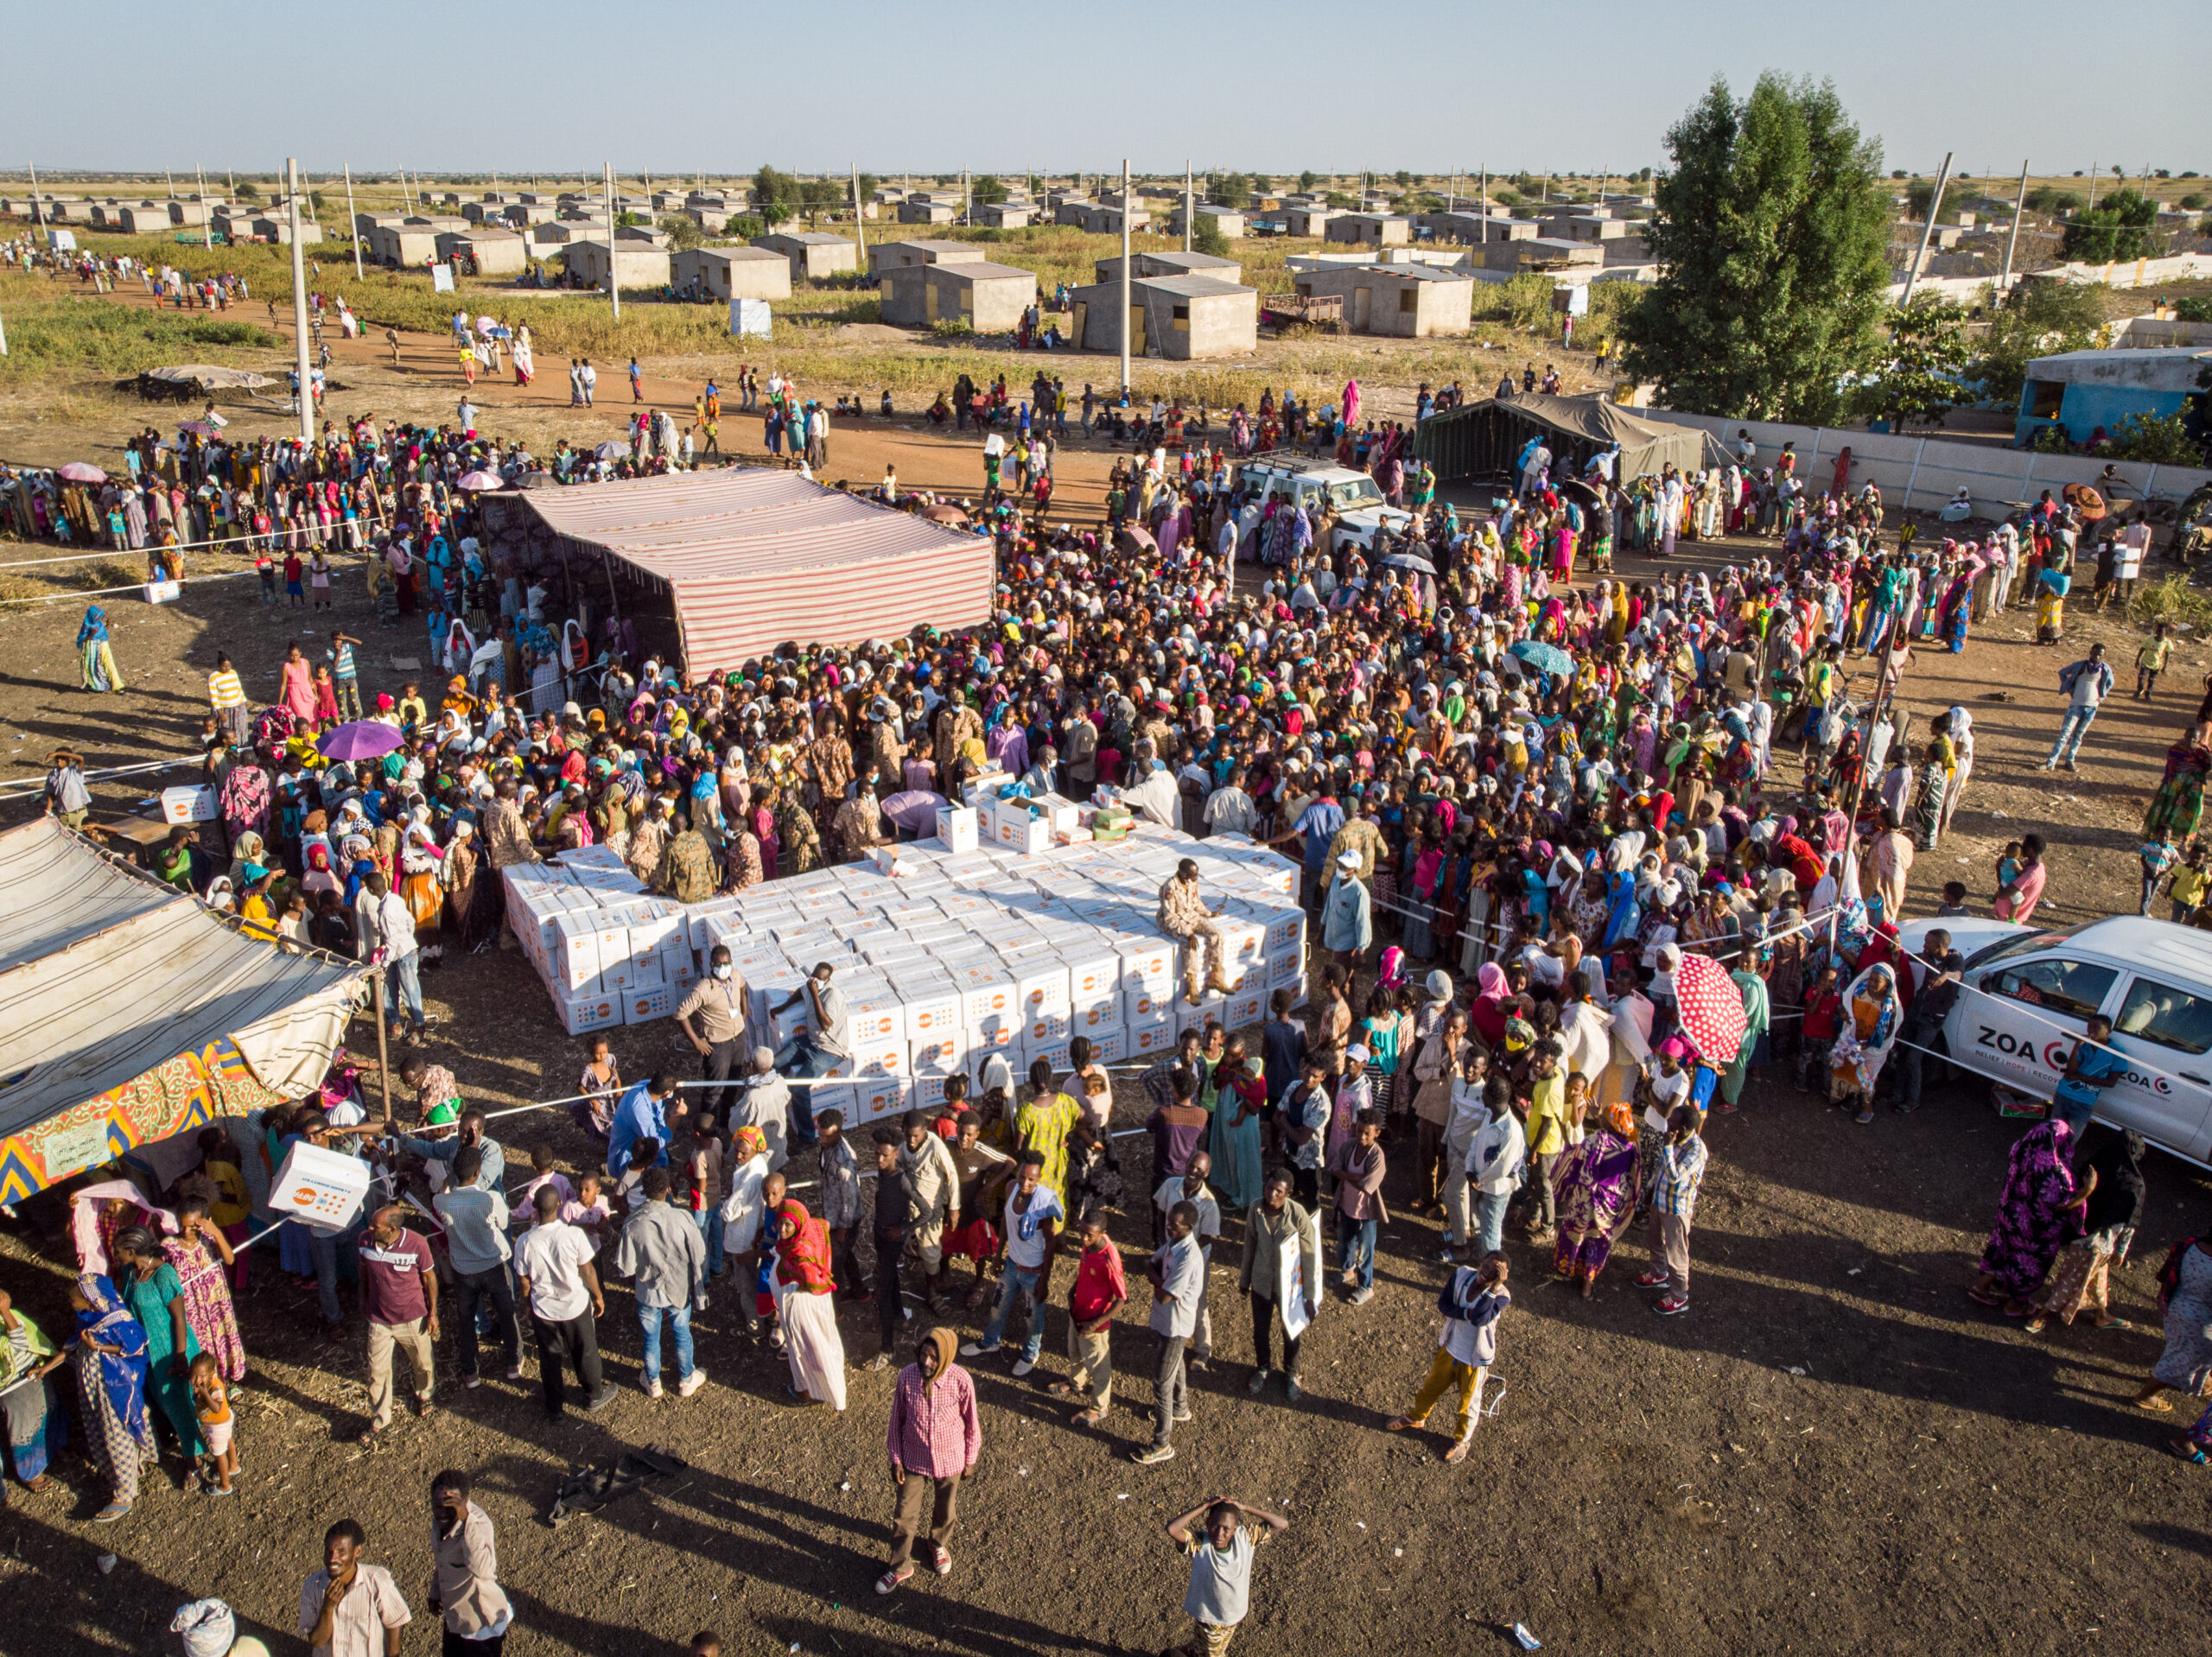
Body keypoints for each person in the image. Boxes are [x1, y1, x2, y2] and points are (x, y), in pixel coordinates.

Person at [877, 1326, 980, 1596]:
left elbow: (972, 1423)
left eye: (933, 1357)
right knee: (903, 1516)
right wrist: (896, 1458)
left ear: (944, 1358)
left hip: (950, 1460)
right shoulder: (906, 1377)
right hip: (913, 1458)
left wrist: (970, 1458)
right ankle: (900, 1566)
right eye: (923, 1354)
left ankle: (937, 1545)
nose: (926, 1362)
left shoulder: (960, 1380)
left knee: (946, 1510)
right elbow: (896, 1420)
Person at [1387, 1253, 1511, 1463]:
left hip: (1474, 1361)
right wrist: (1464, 1314)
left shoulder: (1501, 1295)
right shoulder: (1462, 1275)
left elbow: (1480, 1318)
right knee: (1430, 1388)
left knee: (1469, 1404)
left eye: (1494, 1272)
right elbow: (1443, 1304)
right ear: (1481, 1262)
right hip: (1451, 1349)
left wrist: (1494, 1286)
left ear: (1502, 1276)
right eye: (1487, 1266)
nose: (1487, 1273)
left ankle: (1461, 1440)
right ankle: (1416, 1417)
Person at [515, 1184, 615, 1419]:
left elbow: (524, 1281)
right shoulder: (573, 1235)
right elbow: (587, 1270)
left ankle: (555, 1407)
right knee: (585, 1351)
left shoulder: (524, 1241)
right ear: (559, 1204)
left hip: (544, 1310)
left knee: (549, 1359)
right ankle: (594, 1395)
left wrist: (529, 1306)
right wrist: (598, 1296)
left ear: (535, 1208)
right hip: (575, 1306)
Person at [2031, 1131, 2144, 1336]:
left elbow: (2074, 1193)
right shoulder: (2133, 1184)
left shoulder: (2095, 1166)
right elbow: (2129, 1223)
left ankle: (2101, 1315)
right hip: (2099, 1245)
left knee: (2096, 1277)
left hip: (2078, 1233)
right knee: (2074, 1280)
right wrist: (2120, 1251)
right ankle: (2042, 1314)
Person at [961, 1150, 1063, 1376]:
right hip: (1011, 1265)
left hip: (1033, 1272)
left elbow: (1050, 1244)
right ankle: (990, 1342)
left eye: (1031, 1179)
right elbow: (1007, 1222)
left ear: (1038, 1178)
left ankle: (1030, 1353)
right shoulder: (1011, 1188)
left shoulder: (1043, 1204)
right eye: (1022, 1176)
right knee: (998, 1307)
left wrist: (1044, 1281)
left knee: (1032, 1318)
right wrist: (998, 1255)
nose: (1025, 1183)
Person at [1967, 1119, 2079, 1317]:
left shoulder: (2022, 1150)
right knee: (2027, 1265)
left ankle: (1981, 1287)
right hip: (2034, 1230)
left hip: (2009, 1217)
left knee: (2002, 1250)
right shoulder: (2051, 1168)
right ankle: (2016, 1305)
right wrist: (2087, 1190)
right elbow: (2062, 1203)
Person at [432, 1146, 522, 1388]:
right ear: (477, 1173)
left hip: (464, 1270)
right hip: (493, 1264)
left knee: (466, 1321)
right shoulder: (489, 1199)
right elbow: (503, 1222)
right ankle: (513, 1363)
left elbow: (442, 1190)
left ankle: (470, 1372)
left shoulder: (441, 1202)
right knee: (506, 1312)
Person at [614, 1165, 709, 1399]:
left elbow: (624, 1267)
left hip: (648, 1292)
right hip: (679, 1289)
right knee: (682, 1331)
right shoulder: (683, 1218)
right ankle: (687, 1378)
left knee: (650, 1336)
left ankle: (653, 1381)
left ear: (644, 1190)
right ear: (668, 1190)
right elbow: (699, 1254)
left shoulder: (633, 1223)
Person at [111, 1225, 204, 1461]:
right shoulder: (131, 1273)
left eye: (118, 1251)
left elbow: (179, 1318)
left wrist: (181, 1357)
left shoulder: (164, 1275)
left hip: (170, 1350)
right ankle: (180, 1440)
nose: (115, 1255)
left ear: (132, 1251)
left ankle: (193, 1459)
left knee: (179, 1404)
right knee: (164, 1402)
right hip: (148, 1351)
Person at [69, 1273, 155, 1523]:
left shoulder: (117, 1321)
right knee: (102, 1432)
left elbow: (134, 1348)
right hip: (93, 1390)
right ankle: (126, 1473)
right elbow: (73, 1345)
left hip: (115, 1389)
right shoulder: (87, 1318)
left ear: (89, 1299)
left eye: (75, 1299)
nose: (72, 1304)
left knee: (116, 1433)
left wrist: (98, 1348)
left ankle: (124, 1495)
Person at [1162, 1494, 1289, 1656]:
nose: (1219, 1533)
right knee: (1213, 1652)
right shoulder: (1200, 1543)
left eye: (1226, 1529)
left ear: (1234, 1529)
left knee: (1212, 1648)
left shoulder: (1246, 1538)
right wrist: (1204, 1506)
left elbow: (1282, 1524)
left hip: (1232, 1617)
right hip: (1210, 1619)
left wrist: (1245, 1507)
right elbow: (1172, 1529)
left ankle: (1193, 1651)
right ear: (1208, 1524)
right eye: (1215, 1526)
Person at [353, 1204, 436, 1449]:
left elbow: (429, 1277)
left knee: (423, 1363)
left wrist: (433, 1313)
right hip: (379, 1321)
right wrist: (364, 1299)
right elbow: (363, 1272)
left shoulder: (417, 1244)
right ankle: (380, 1419)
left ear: (392, 1228)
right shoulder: (364, 1241)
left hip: (412, 1319)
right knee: (377, 1372)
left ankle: (425, 1394)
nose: (369, 1228)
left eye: (375, 1226)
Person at [1133, 1198, 1205, 1466]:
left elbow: (1165, 1295)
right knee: (1175, 1365)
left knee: (1162, 1383)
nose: (1168, 1228)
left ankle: (1162, 1443)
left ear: (1188, 1228)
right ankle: (1180, 1407)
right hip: (1167, 1320)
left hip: (1176, 1325)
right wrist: (1158, 1280)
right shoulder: (1173, 1243)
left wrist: (1155, 1278)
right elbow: (1151, 1263)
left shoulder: (1189, 1256)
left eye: (1174, 1226)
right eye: (1168, 1223)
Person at [1240, 1170, 1320, 1402]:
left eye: (1279, 1191)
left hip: (1289, 1289)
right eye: (1269, 1188)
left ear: (1289, 1193)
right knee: (1260, 1331)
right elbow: (1249, 1245)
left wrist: (1310, 1296)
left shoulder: (1297, 1215)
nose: (1272, 1194)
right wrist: (1245, 1280)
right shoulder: (1255, 1209)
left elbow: (1309, 1255)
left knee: (1291, 1334)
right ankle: (1263, 1368)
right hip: (1262, 1284)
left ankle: (1292, 1374)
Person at [1550, 1099, 1641, 1298]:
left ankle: (1567, 1268)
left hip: (1585, 1199)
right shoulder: (1631, 1147)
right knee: (1597, 1239)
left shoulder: (1595, 1141)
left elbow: (1577, 1160)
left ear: (1609, 1123)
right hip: (1610, 1203)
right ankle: (1587, 1284)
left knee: (1577, 1232)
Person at [1052, 1211, 1125, 1424]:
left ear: (1103, 1233)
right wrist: (1071, 1293)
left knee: (1099, 1366)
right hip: (1077, 1312)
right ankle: (1076, 1383)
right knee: (1074, 1352)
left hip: (1094, 1323)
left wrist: (1095, 1324)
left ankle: (1099, 1408)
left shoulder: (1109, 1258)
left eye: (1089, 1235)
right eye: (1081, 1232)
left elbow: (1121, 1299)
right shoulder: (1088, 1245)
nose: (1083, 1239)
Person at [299, 1519, 411, 1657]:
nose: (333, 1558)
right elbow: (317, 1641)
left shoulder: (376, 1581)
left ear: (357, 1551)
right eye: (329, 1552)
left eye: (341, 1552)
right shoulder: (312, 1586)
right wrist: (327, 1608)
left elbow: (395, 1621)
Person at [428, 1469, 512, 1655]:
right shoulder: (439, 1523)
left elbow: (483, 1570)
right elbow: (441, 1559)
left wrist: (467, 1522)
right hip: (456, 1617)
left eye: (450, 1506)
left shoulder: (479, 1525)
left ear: (465, 1502)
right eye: (437, 1506)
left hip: (480, 1624)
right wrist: (435, 1592)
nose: (442, 1513)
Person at [1636, 1105, 1707, 1317]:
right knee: (1655, 1239)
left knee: (1676, 1254)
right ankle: (1658, 1274)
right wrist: (1650, 1189)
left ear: (1684, 1128)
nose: (1668, 1125)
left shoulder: (1696, 1150)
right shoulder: (1674, 1139)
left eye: (1672, 1123)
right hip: (1660, 1200)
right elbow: (1661, 1169)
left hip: (1676, 1209)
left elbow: (1675, 1176)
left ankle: (1678, 1296)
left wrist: (1667, 1147)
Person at [0, 1286, 67, 1502]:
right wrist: (6, 1313)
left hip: (33, 1373)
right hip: (12, 1387)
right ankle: (30, 1473)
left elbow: (31, 1339)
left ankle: (53, 1450)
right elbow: (19, 1343)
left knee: (49, 1411)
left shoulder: (9, 1316)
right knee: (25, 1429)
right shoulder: (6, 1316)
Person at [2135, 1233, 2212, 1417]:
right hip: (2199, 1324)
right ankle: (2146, 1396)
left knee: (2177, 1349)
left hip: (2176, 1305)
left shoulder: (2189, 1244)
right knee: (2175, 1362)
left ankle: (2204, 1380)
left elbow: (2166, 1273)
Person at [677, 945, 750, 1116]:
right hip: (718, 1045)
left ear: (731, 963)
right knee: (715, 1089)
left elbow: (743, 988)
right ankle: (706, 1126)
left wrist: (744, 1014)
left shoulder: (736, 975)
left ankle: (726, 1120)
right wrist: (696, 1041)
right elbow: (680, 1014)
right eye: (718, 964)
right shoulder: (704, 988)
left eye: (726, 963)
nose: (723, 968)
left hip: (738, 1038)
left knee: (733, 1083)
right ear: (711, 965)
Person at [1327, 1108, 1388, 1305]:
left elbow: (1368, 1185)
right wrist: (1354, 1177)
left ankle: (1366, 1286)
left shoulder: (1377, 1156)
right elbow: (1335, 1168)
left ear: (1377, 1133)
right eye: (1359, 1130)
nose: (1361, 1136)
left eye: (1367, 1133)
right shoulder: (1349, 1146)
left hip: (1365, 1213)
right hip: (1346, 1205)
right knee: (1345, 1241)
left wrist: (1346, 1175)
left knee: (1365, 1249)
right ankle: (1347, 1270)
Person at [2050, 1016, 2129, 1140]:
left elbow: (2111, 1082)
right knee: (2053, 1134)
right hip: (2064, 1093)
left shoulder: (2117, 1052)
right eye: (2089, 1027)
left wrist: (2080, 1077)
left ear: (2109, 1031)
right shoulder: (2085, 1046)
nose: (2091, 1030)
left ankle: (2060, 1158)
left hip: (2084, 1100)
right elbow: (2071, 1071)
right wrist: (2077, 1046)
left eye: (2097, 1027)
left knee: (2071, 1139)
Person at [2042, 643, 2113, 772]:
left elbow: (2110, 683)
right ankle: (2051, 761)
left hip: (2092, 706)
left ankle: (2070, 760)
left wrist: (2101, 697)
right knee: (2065, 734)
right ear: (2090, 652)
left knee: (2079, 735)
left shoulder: (2105, 669)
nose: (2096, 657)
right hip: (2076, 704)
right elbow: (2063, 673)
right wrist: (2069, 689)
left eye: (2100, 655)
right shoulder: (2080, 666)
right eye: (2095, 653)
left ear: (2103, 656)